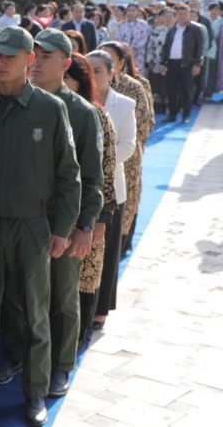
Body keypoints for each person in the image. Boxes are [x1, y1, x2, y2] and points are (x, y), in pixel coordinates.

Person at [0, 26, 81, 426]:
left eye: (10, 55)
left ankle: (35, 391)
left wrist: (63, 227)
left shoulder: (50, 108)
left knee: (35, 313)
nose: (0, 62)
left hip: (32, 225)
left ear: (30, 60)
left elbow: (69, 174)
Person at [29, 29, 104, 397]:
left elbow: (92, 177)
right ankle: (20, 357)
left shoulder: (81, 113)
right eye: (34, 55)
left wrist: (85, 224)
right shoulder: (20, 101)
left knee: (63, 298)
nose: (37, 62)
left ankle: (61, 365)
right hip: (24, 220)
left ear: (66, 62)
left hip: (63, 220)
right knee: (20, 296)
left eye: (46, 56)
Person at [63, 53, 117, 343]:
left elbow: (105, 173)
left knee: (82, 279)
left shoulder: (94, 114)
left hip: (87, 213)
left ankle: (78, 337)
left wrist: (99, 220)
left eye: (67, 78)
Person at [86, 50, 136, 336]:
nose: (93, 76)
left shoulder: (124, 104)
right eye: (88, 69)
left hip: (110, 186)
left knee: (107, 252)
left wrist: (98, 158)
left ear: (111, 74)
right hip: (82, 184)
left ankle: (101, 311)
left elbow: (128, 145)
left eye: (99, 70)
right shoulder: (77, 100)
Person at [98, 42, 154, 256]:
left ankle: (122, 241)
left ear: (121, 63)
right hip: (102, 157)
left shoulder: (134, 86)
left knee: (126, 200)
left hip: (125, 156)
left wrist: (116, 151)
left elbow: (144, 122)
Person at [159, 5, 203, 124]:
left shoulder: (195, 29)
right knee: (172, 90)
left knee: (187, 91)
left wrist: (197, 64)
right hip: (172, 64)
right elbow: (165, 47)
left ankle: (186, 115)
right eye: (180, 14)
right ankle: (172, 114)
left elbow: (200, 48)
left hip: (187, 64)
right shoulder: (172, 29)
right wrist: (163, 63)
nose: (182, 16)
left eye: (185, 14)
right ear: (176, 16)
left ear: (189, 15)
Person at [146, 9, 174, 114]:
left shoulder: (176, 30)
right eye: (166, 16)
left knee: (168, 85)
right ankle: (157, 105)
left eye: (170, 16)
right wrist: (149, 61)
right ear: (162, 18)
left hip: (171, 63)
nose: (168, 19)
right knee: (157, 84)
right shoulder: (156, 31)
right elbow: (150, 47)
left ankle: (168, 105)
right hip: (156, 61)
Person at [115, 4, 151, 76]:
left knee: (138, 74)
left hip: (138, 54)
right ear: (126, 12)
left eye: (134, 10)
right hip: (124, 53)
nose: (132, 13)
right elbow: (118, 38)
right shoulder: (121, 25)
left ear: (137, 12)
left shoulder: (143, 24)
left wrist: (134, 49)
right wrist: (125, 49)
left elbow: (144, 38)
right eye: (130, 10)